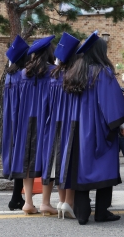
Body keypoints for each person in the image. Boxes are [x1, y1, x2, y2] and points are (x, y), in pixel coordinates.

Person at [63, 31, 124, 225]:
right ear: (100, 52)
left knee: (82, 171)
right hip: (99, 130)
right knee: (104, 169)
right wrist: (121, 125)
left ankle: (82, 214)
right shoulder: (103, 73)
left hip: (77, 131)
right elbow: (113, 105)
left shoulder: (74, 74)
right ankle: (101, 212)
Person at [10, 35, 57, 215]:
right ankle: (45, 202)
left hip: (25, 122)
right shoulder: (54, 72)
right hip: (46, 122)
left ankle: (28, 202)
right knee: (47, 160)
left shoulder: (23, 73)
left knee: (27, 162)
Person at [41, 32, 82, 219]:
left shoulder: (53, 76)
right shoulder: (75, 77)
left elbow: (46, 104)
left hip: (54, 124)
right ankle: (69, 202)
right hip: (71, 124)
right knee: (70, 162)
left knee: (58, 162)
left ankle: (60, 201)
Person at [2, 35, 29, 211]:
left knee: (15, 156)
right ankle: (16, 198)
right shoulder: (22, 76)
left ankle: (16, 198)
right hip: (22, 118)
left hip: (10, 119)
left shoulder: (9, 76)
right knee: (23, 157)